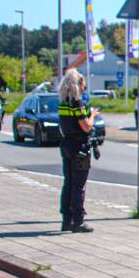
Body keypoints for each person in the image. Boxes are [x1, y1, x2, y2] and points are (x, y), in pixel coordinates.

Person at [57, 69, 99, 233]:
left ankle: (66, 220)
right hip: (79, 146)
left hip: (66, 143)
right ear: (78, 85)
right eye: (83, 86)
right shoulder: (77, 103)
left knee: (68, 183)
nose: (84, 89)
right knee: (79, 185)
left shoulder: (63, 103)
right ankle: (78, 221)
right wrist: (93, 115)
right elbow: (86, 126)